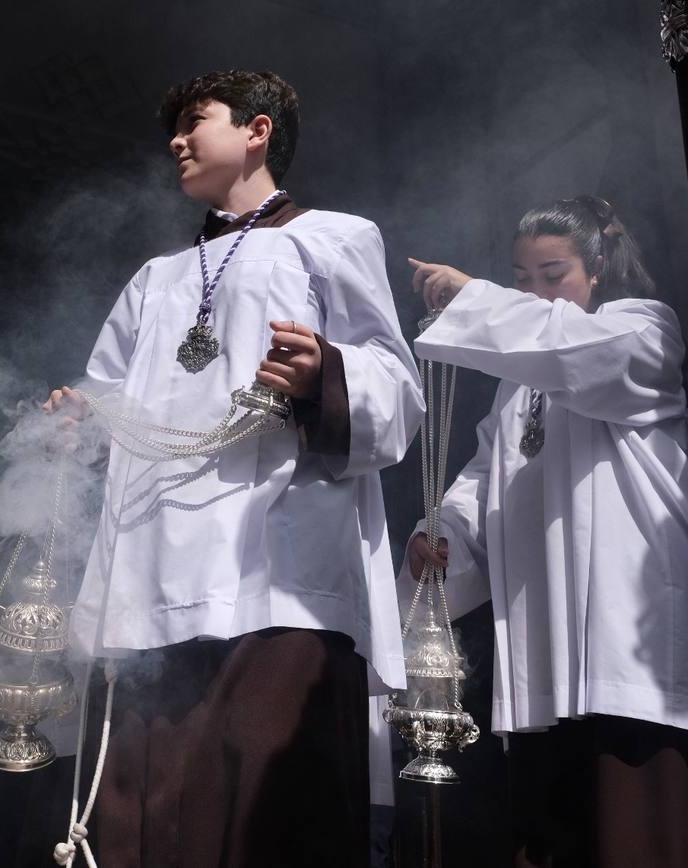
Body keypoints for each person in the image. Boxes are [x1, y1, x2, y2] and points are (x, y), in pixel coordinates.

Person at [44, 68, 423, 867]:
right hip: (152, 571)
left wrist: (326, 373)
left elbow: (396, 389)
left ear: (257, 131)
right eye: (173, 130)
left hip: (278, 562)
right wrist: (75, 420)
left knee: (269, 810)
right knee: (157, 810)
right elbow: (106, 395)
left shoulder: (336, 238)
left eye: (194, 119)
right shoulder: (154, 279)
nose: (177, 140)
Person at [405, 195, 688, 867]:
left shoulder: (640, 331)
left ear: (599, 266)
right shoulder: (519, 384)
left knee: (641, 832)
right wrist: (442, 527)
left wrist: (473, 298)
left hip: (634, 646)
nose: (534, 291)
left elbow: (564, 347)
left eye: (552, 273)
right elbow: (484, 477)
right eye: (520, 277)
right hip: (550, 655)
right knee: (557, 834)